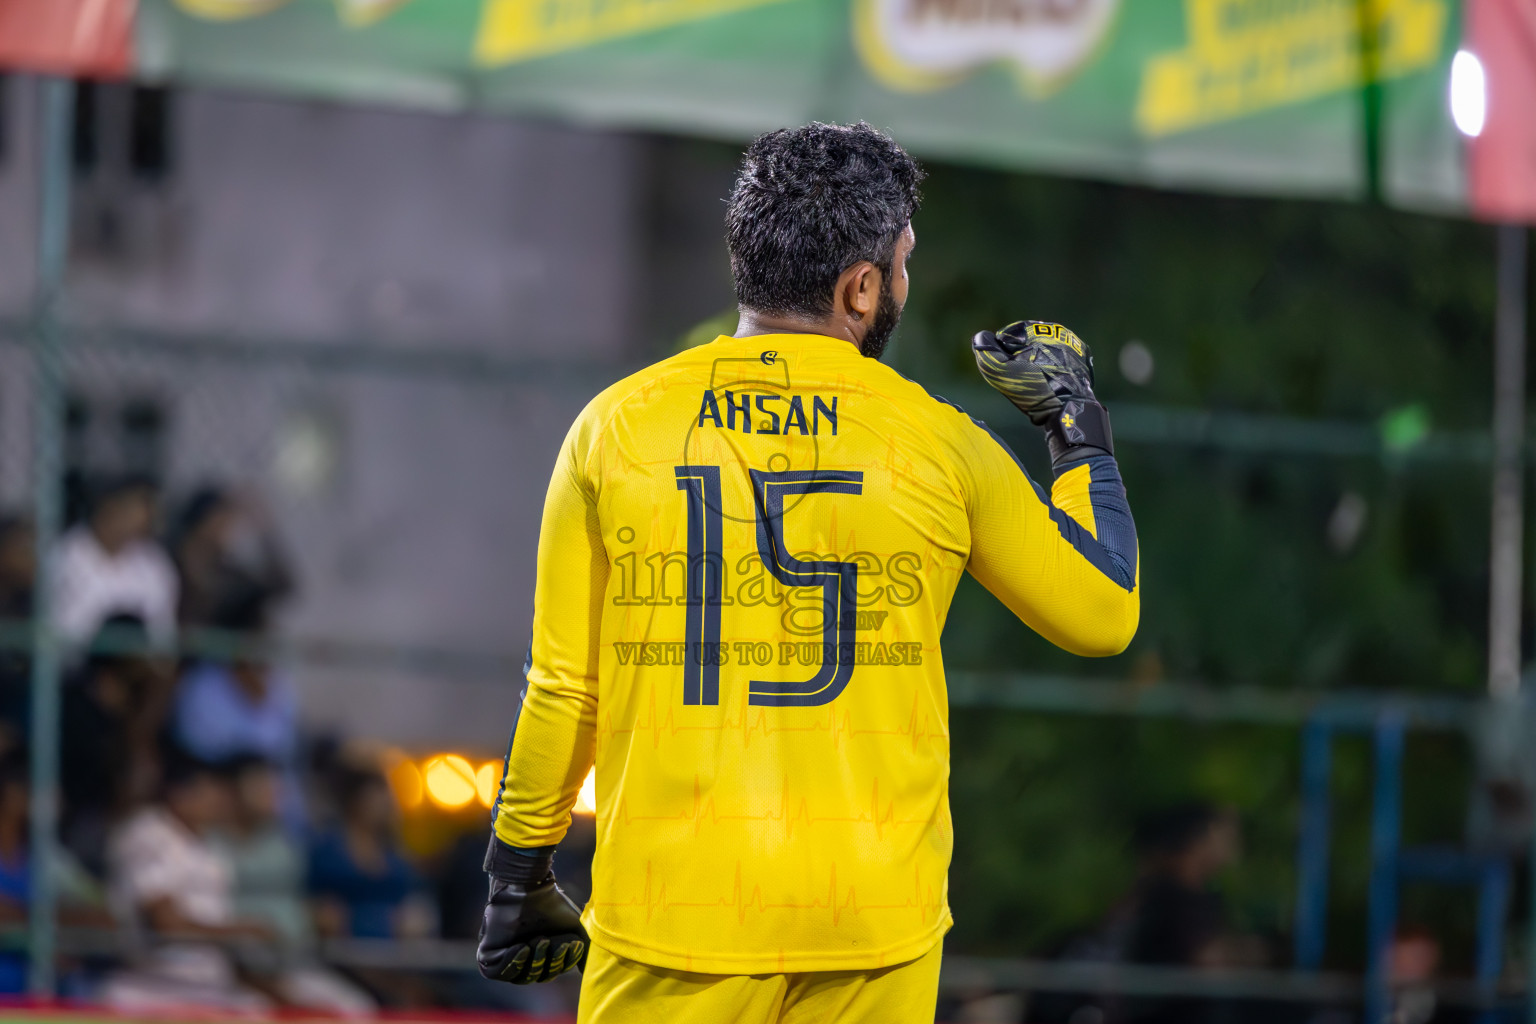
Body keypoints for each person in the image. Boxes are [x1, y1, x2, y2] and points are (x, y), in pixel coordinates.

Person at [477, 122, 1140, 1024]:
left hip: (676, 916)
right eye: (902, 264)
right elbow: (1103, 613)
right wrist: (1075, 426)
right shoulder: (941, 443)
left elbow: (564, 690)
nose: (902, 283)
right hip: (872, 924)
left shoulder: (615, 427)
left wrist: (519, 874)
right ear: (861, 287)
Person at [103, 753, 274, 1013]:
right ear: (180, 793)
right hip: (153, 989)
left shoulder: (206, 844)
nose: (219, 800)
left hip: (209, 988)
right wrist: (241, 931)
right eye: (211, 790)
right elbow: (165, 923)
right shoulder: (148, 834)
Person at [210, 756, 375, 1016]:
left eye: (276, 788)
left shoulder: (283, 843)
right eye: (261, 786)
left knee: (356, 1009)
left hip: (295, 962)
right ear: (233, 790)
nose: (273, 795)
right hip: (237, 970)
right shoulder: (211, 845)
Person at [173, 595, 304, 832]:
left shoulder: (279, 687)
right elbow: (198, 748)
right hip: (218, 789)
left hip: (268, 794)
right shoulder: (204, 685)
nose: (265, 654)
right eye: (257, 644)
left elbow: (286, 749)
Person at [53, 475, 178, 650]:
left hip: (134, 668)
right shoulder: (65, 555)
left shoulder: (155, 563)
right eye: (144, 505)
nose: (151, 515)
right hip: (72, 667)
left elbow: (161, 634)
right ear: (111, 506)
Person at [308, 768, 428, 942]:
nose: (382, 804)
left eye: (384, 797)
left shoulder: (393, 852)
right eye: (373, 797)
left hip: (392, 941)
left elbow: (407, 896)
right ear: (355, 800)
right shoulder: (328, 849)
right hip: (342, 940)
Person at [170, 486, 295, 630]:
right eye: (221, 520)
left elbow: (282, 585)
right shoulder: (172, 568)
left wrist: (264, 529)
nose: (227, 529)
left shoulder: (229, 573)